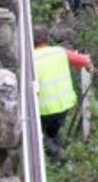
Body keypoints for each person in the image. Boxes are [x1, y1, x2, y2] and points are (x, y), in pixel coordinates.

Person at [33, 25, 94, 160]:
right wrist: (90, 67)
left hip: (43, 108)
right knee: (53, 133)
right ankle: (62, 162)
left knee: (37, 136)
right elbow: (85, 60)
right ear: (47, 39)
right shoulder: (59, 51)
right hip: (64, 105)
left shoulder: (30, 59)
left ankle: (58, 155)